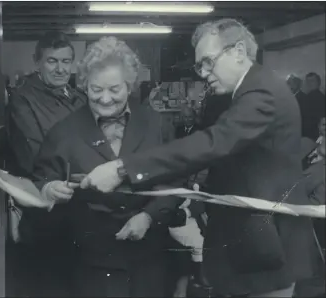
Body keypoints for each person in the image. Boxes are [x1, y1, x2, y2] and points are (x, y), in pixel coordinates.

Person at [80, 19, 316, 297]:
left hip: (268, 249)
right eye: (199, 65)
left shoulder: (262, 93)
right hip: (252, 244)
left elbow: (214, 142)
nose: (203, 73)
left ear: (238, 51)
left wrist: (122, 169)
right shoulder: (240, 92)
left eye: (208, 62)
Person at [31, 36, 181, 297]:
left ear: (130, 85)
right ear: (84, 85)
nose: (105, 98)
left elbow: (176, 180)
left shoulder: (156, 125)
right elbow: (40, 181)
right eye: (95, 89)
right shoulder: (62, 133)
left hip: (149, 258)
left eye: (115, 89)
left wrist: (149, 217)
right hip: (90, 262)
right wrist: (49, 188)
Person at [6, 31, 86, 297]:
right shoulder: (23, 99)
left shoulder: (78, 97)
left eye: (66, 61)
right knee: (52, 284)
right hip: (49, 208)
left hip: (81, 204)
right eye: (52, 61)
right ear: (37, 62)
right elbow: (35, 156)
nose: (61, 68)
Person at [301, 72, 325, 141]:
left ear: (318, 82)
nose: (309, 84)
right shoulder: (306, 97)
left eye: (312, 81)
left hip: (312, 134)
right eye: (308, 81)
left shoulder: (316, 98)